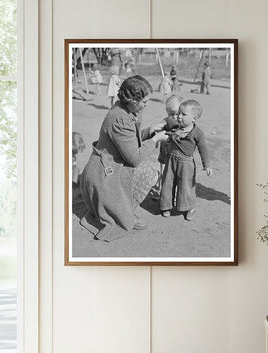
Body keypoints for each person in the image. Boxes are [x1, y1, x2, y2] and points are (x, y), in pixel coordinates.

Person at [79, 75, 167, 241]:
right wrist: (155, 140)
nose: (146, 105)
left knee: (149, 163)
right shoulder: (120, 119)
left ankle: (124, 207)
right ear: (133, 100)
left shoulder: (122, 108)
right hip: (105, 174)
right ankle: (126, 211)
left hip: (104, 165)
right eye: (144, 102)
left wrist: (150, 130)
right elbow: (133, 158)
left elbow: (127, 140)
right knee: (152, 169)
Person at [160, 99, 212, 221]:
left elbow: (203, 149)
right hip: (171, 160)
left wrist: (207, 164)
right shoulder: (174, 126)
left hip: (186, 164)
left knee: (186, 186)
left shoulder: (197, 133)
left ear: (194, 118)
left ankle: (190, 207)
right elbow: (164, 124)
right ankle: (166, 205)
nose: (179, 117)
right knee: (167, 183)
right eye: (179, 113)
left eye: (183, 114)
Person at [152, 95, 182, 200]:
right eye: (171, 114)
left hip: (176, 155)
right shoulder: (165, 121)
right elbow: (158, 130)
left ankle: (175, 194)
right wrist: (156, 139)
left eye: (177, 114)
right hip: (164, 154)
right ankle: (160, 191)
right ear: (166, 111)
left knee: (175, 175)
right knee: (162, 172)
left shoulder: (182, 123)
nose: (174, 117)